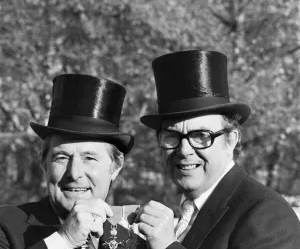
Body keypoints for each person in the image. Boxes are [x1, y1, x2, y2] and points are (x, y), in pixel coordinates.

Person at [137, 50, 300, 249]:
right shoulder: (189, 211)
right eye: (172, 136)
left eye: (201, 136)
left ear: (230, 140)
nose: (184, 150)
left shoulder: (267, 214)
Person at [0, 74, 135, 249]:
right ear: (44, 163)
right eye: (62, 157)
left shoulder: (133, 236)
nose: (74, 173)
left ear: (116, 167)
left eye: (89, 158)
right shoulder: (6, 225)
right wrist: (65, 240)